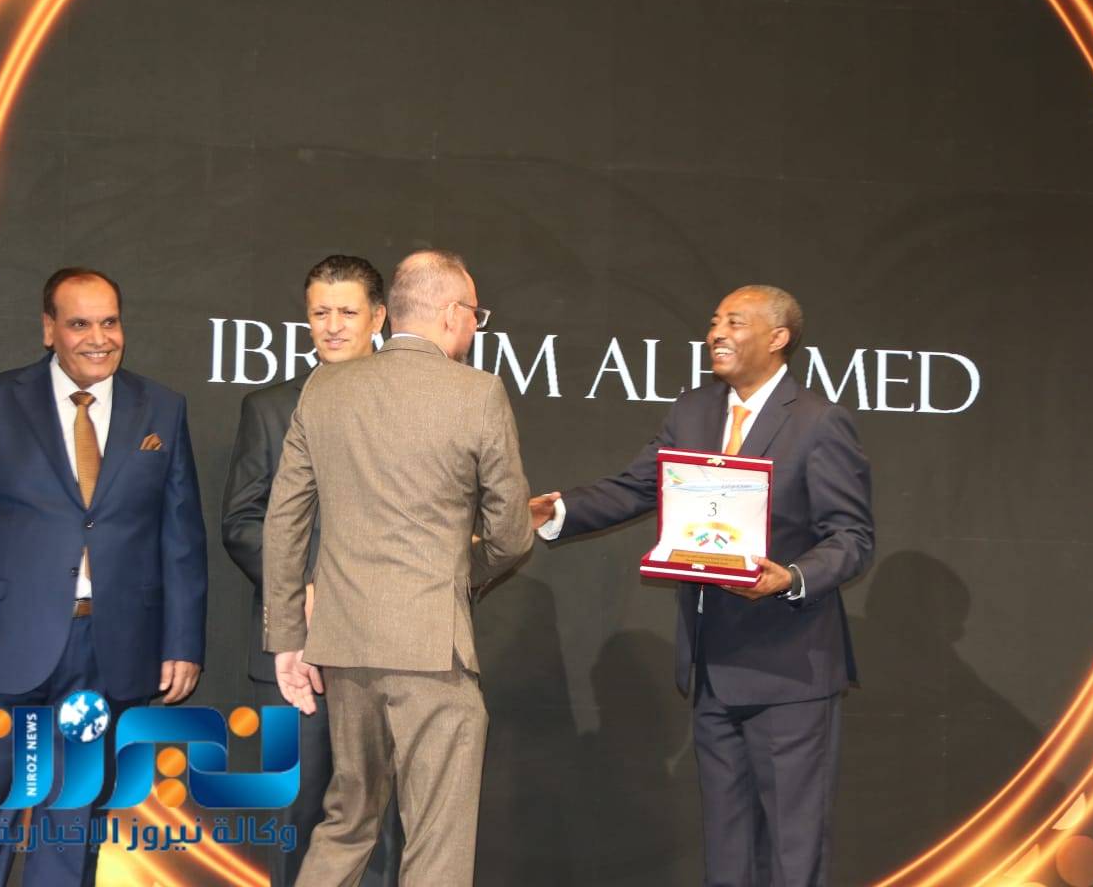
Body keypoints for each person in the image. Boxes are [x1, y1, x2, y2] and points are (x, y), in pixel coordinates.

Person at [531, 285, 874, 887]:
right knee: (726, 849)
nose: (717, 333)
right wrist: (558, 512)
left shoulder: (819, 422)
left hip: (790, 673)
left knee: (793, 852)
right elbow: (639, 486)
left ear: (778, 337)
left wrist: (792, 578)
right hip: (712, 669)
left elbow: (852, 537)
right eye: (715, 322)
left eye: (735, 323)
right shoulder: (692, 411)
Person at [0, 267, 208, 887]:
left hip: (109, 649)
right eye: (80, 324)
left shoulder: (162, 408)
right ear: (49, 329)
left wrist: (182, 642)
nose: (98, 338)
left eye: (110, 322)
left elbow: (181, 538)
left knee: (70, 831)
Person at [263, 250, 533, 886]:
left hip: (345, 648)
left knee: (347, 820)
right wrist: (462, 574)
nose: (475, 327)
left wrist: (288, 638)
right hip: (432, 652)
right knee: (437, 839)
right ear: (452, 313)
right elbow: (512, 533)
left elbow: (284, 521)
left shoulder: (325, 388)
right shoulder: (477, 393)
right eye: (476, 314)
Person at [222, 254, 403, 886]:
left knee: (381, 816)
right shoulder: (271, 409)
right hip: (294, 650)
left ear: (378, 317)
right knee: (297, 816)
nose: (332, 326)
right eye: (320, 313)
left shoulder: (409, 408)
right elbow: (241, 520)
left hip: (386, 646)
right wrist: (298, 587)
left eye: (347, 312)